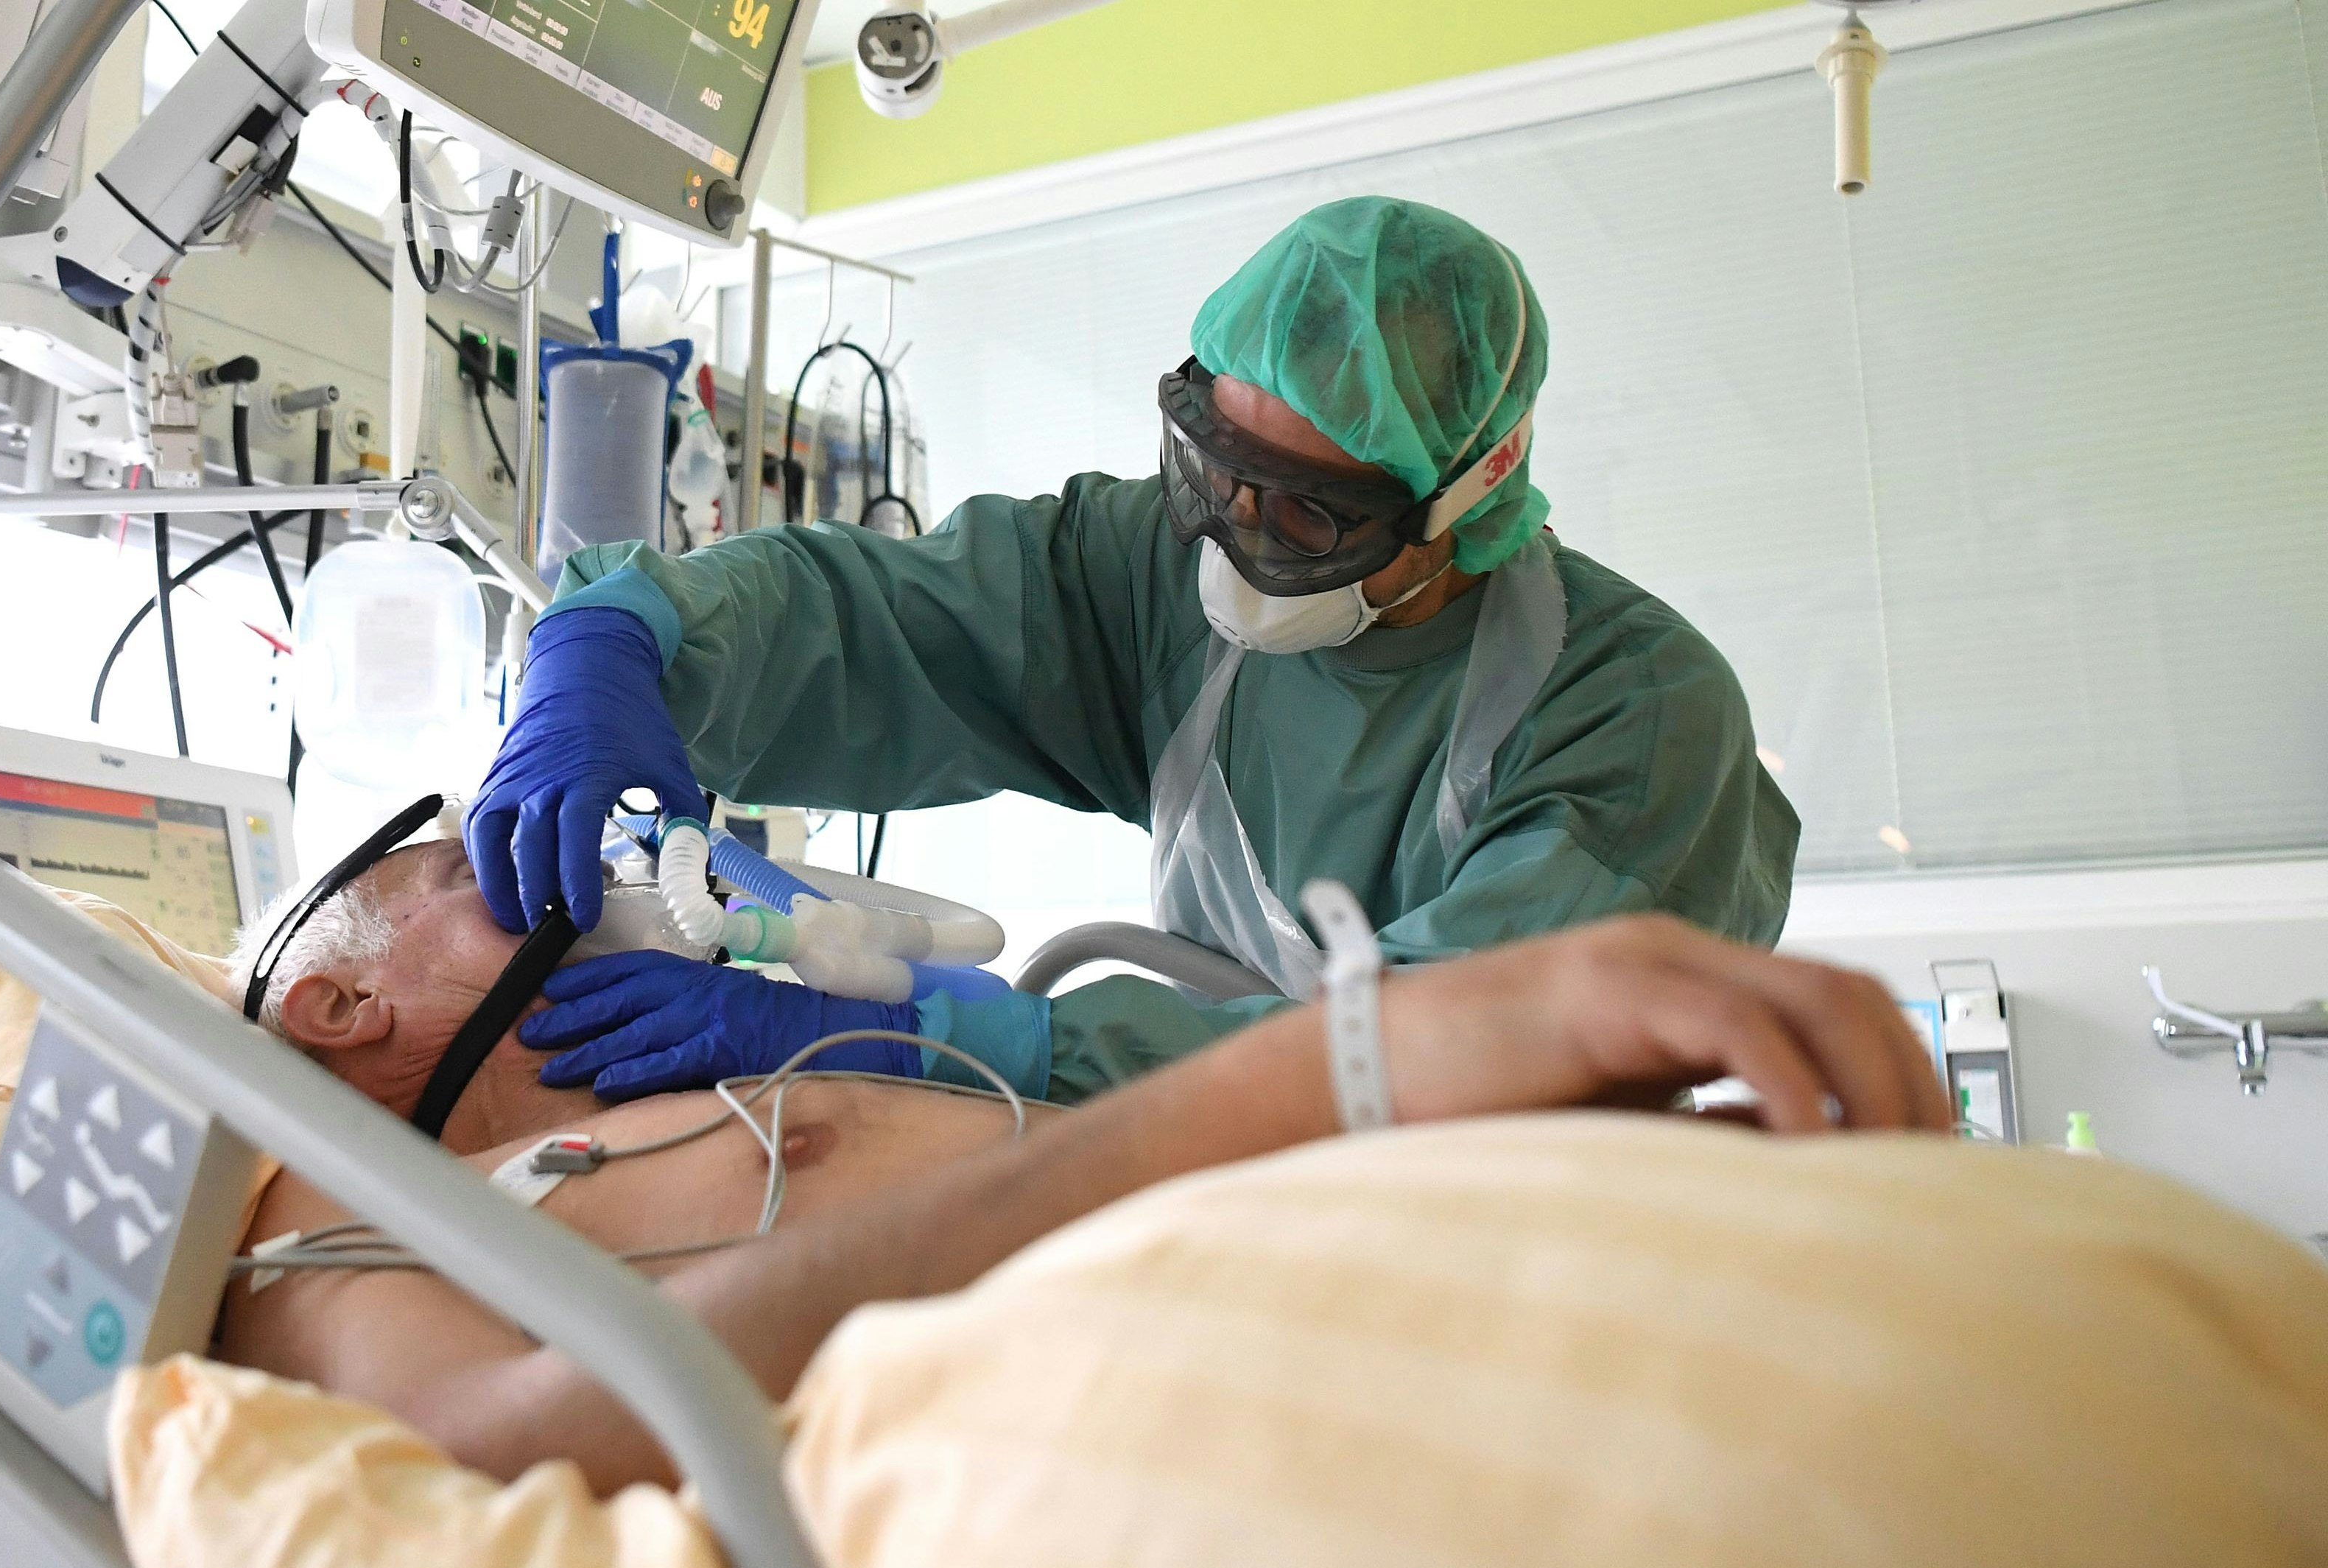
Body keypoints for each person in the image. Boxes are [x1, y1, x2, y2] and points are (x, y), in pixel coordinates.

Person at [465, 196, 1799, 1108]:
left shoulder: (1636, 715)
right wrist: (622, 636)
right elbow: (889, 621)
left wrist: (980, 1041)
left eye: (1311, 517)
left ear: (1467, 492)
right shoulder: (1156, 571)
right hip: (1185, 1173)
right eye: (1214, 470)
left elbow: (1466, 1043)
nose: (1235, 539)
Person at [216, 832, 1944, 1494]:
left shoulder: (640, 1107)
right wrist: (1322, 1076)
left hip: (1377, 1267)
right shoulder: (308, 1198)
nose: (566, 879)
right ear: (336, 1004)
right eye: (482, 872)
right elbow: (473, 1449)